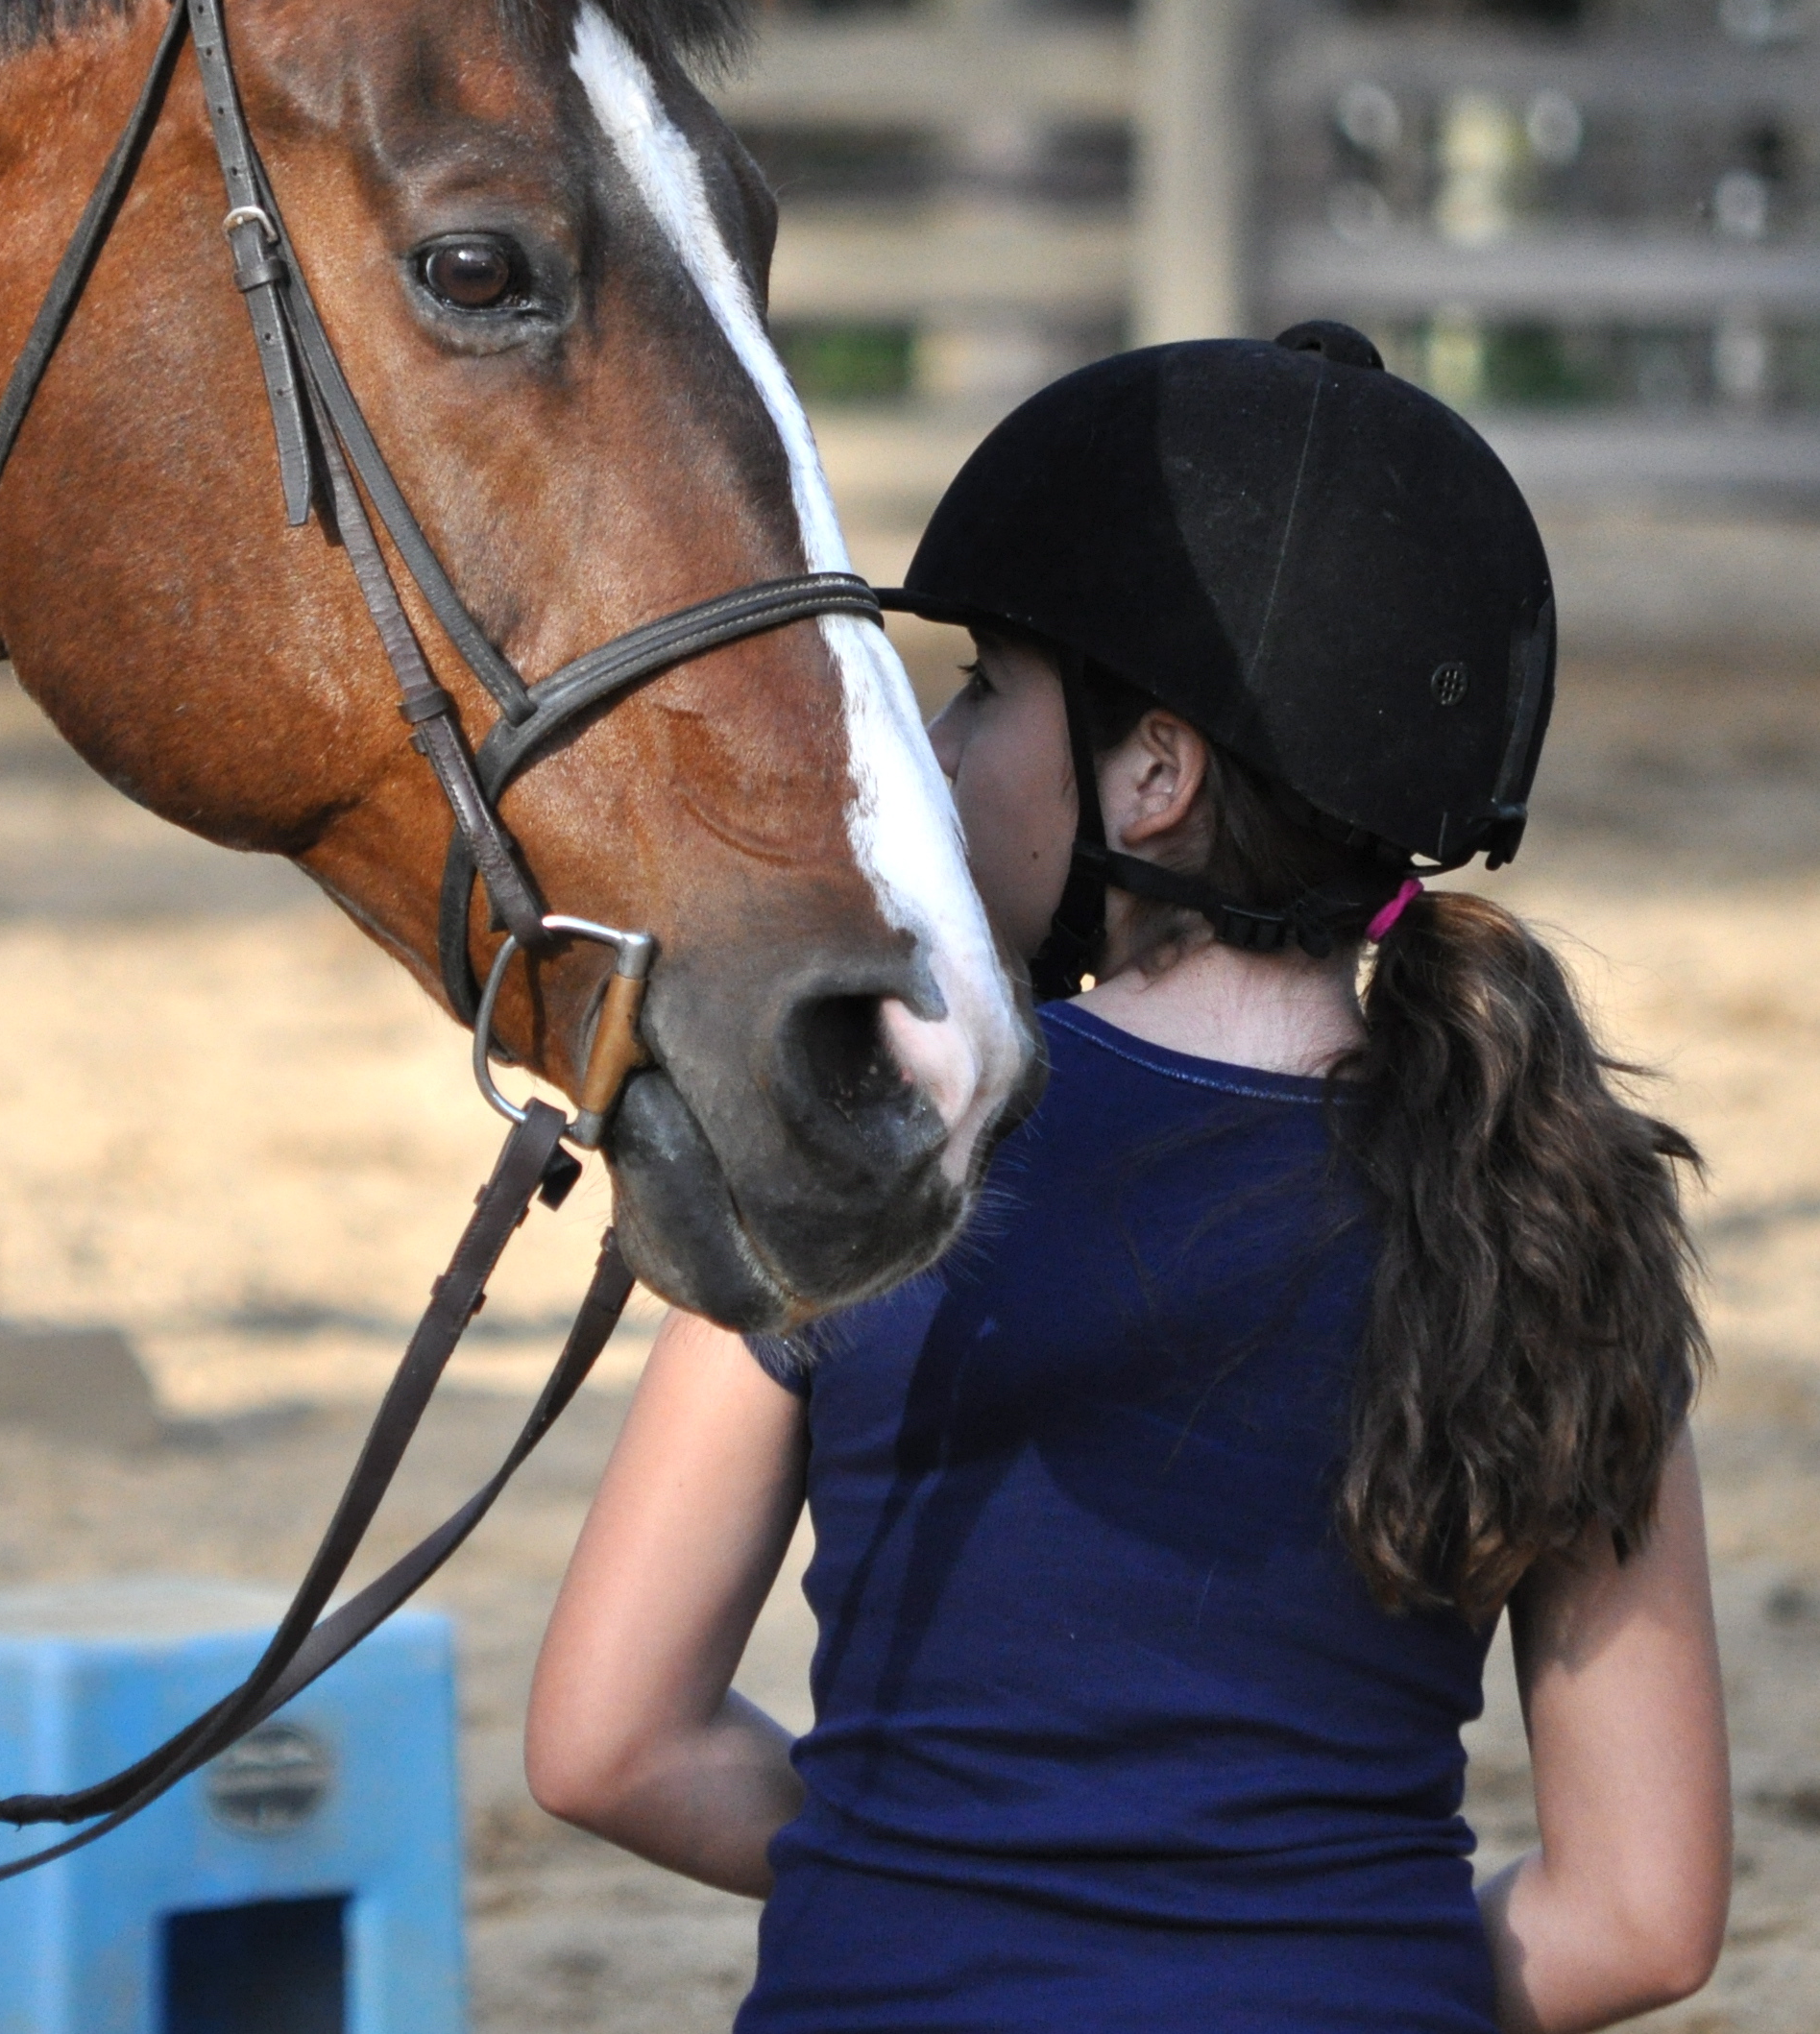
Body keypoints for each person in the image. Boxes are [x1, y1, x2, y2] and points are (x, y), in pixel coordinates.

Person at [523, 324, 1728, 2033]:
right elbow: (1644, 1915)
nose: (937, 750)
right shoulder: (1551, 1202)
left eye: (986, 687)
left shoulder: (873, 1128)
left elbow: (604, 1741)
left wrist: (930, 1868)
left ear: (1153, 775)